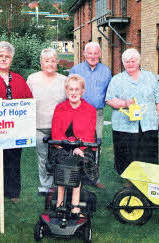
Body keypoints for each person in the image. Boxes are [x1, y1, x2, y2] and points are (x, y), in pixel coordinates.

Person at [0, 41, 33, 203]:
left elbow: (28, 101)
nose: (4, 59)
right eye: (0, 56)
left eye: (7, 56)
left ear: (12, 59)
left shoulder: (18, 78)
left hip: (14, 128)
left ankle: (13, 192)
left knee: (13, 159)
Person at [106, 48, 159, 176]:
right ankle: (129, 182)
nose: (130, 64)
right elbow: (109, 100)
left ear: (138, 62)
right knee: (126, 156)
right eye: (126, 61)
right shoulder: (117, 79)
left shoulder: (150, 77)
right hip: (124, 126)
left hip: (148, 124)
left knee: (148, 155)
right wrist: (125, 104)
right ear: (123, 63)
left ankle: (146, 180)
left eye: (133, 61)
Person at [51, 74, 96, 216]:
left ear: (82, 91)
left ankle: (75, 206)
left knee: (76, 164)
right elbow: (56, 132)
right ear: (66, 90)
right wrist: (69, 147)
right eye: (70, 89)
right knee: (63, 163)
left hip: (84, 148)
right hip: (61, 147)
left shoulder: (90, 110)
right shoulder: (60, 108)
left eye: (77, 89)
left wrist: (78, 148)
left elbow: (89, 134)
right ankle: (60, 204)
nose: (73, 92)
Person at [69, 42, 112, 189]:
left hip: (97, 114)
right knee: (76, 143)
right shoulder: (76, 69)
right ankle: (74, 177)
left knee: (96, 144)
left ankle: (94, 178)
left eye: (95, 53)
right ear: (85, 54)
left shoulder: (106, 71)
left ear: (99, 54)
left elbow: (110, 93)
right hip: (78, 113)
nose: (93, 56)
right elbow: (69, 90)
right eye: (90, 53)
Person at [27, 48, 66, 195]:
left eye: (53, 60)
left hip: (59, 128)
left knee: (59, 157)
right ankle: (45, 185)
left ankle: (59, 184)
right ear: (41, 63)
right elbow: (26, 100)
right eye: (46, 60)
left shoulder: (64, 80)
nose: (50, 63)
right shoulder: (32, 79)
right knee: (43, 157)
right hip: (39, 126)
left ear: (57, 62)